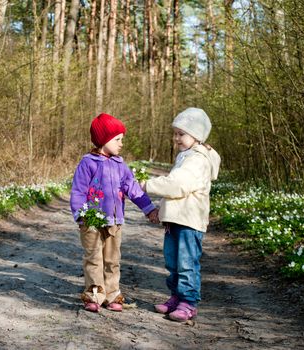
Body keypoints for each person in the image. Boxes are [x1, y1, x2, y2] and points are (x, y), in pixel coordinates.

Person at [70, 112, 159, 313]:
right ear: (104, 140)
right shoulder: (88, 162)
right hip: (91, 220)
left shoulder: (121, 165)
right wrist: (80, 215)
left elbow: (133, 189)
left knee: (112, 260)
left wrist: (149, 209)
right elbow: (78, 190)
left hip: (114, 222)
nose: (121, 144)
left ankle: (112, 295)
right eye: (117, 139)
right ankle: (94, 294)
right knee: (93, 258)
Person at [141, 107, 221, 322]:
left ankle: (188, 302)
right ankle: (176, 297)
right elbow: (173, 192)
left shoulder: (197, 159)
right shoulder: (185, 156)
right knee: (173, 262)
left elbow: (177, 185)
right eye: (175, 133)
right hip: (176, 220)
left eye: (181, 134)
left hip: (189, 221)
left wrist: (146, 184)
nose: (176, 138)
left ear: (196, 135)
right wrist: (162, 211)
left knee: (186, 263)